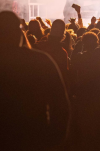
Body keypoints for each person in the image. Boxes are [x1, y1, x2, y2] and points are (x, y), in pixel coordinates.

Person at [0, 11, 70, 150]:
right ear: (18, 32)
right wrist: (56, 136)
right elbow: (60, 102)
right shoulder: (41, 60)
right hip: (34, 134)